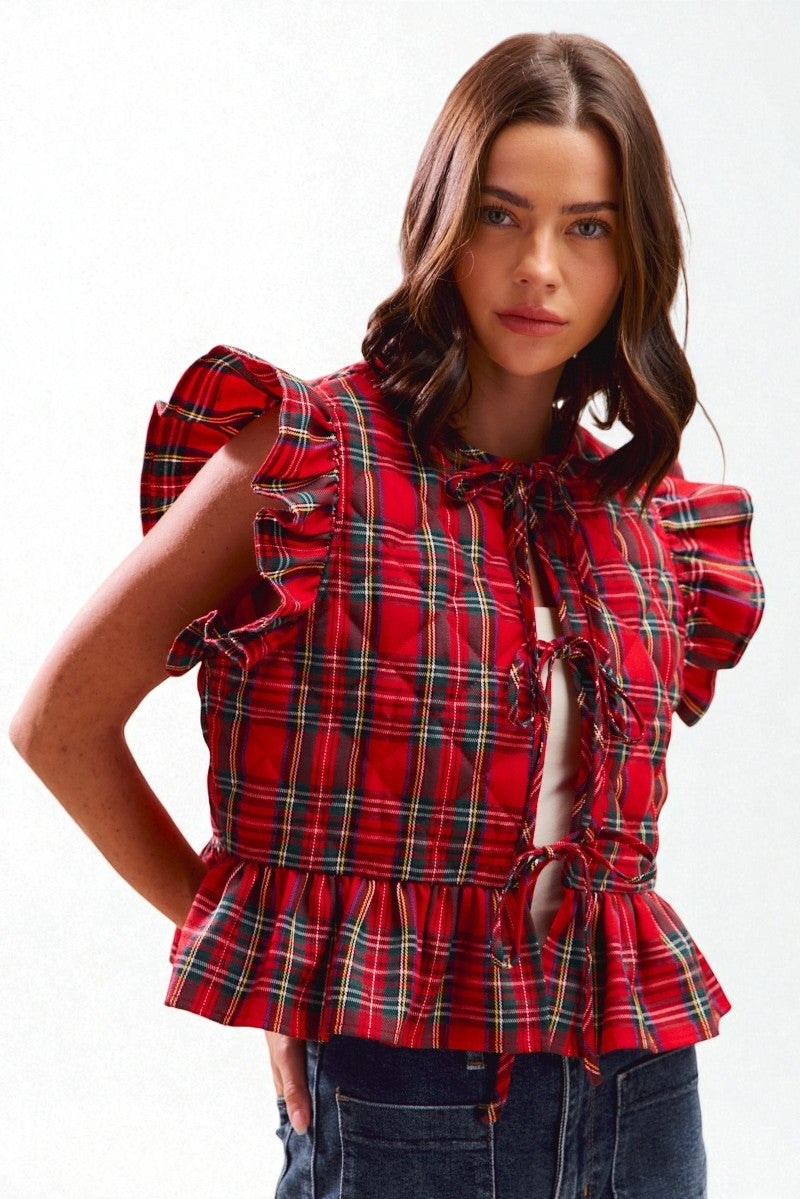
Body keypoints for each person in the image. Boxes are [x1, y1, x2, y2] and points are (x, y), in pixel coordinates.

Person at [10, 30, 764, 1199]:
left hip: (640, 1094)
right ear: (440, 221)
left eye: (587, 227)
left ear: (632, 255)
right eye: (499, 215)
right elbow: (58, 719)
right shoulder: (307, 456)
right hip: (399, 1088)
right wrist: (279, 970)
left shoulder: (645, 513)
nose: (539, 270)